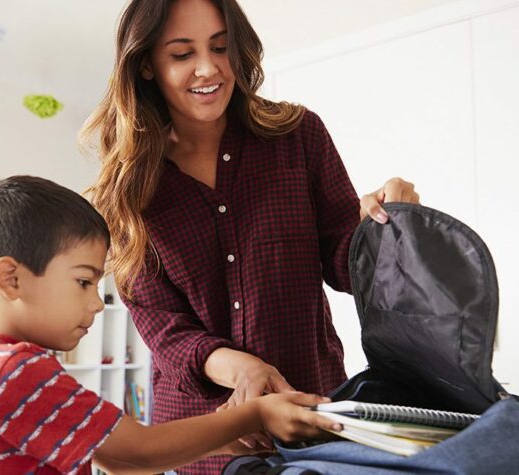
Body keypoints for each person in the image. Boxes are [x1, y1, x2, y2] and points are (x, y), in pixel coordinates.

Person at [82, 0, 420, 472]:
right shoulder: (129, 189)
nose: (209, 68)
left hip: (313, 416)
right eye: (182, 54)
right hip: (206, 439)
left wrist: (391, 226)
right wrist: (242, 369)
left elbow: (347, 261)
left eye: (221, 47)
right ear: (146, 66)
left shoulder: (298, 137)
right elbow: (166, 330)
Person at [0, 175, 342, 474]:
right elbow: (133, 452)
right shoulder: (16, 370)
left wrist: (227, 438)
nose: (96, 304)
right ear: (11, 279)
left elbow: (111, 454)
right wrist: (257, 415)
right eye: (84, 282)